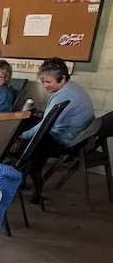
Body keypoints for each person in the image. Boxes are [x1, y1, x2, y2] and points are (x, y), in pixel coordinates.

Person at [13, 57, 94, 203]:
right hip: (76, 134)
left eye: (48, 82)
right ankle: (23, 177)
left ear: (62, 78)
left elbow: (45, 125)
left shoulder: (63, 96)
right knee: (29, 120)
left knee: (29, 142)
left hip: (66, 140)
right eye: (43, 82)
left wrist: (22, 137)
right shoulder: (72, 88)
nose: (45, 86)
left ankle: (29, 176)